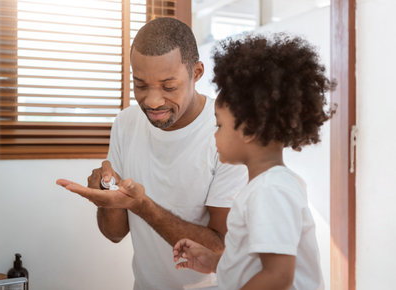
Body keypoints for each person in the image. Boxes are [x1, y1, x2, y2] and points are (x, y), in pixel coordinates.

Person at [56, 17, 248, 290]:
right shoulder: (126, 123)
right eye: (141, 85)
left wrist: (142, 205)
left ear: (196, 73)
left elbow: (220, 248)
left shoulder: (227, 129)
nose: (152, 101)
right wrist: (107, 197)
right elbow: (115, 233)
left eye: (168, 87)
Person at [173, 33, 336, 290]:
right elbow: (256, 263)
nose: (214, 135)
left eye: (219, 125)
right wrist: (217, 262)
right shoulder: (268, 186)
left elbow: (278, 276)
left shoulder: (270, 191)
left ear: (249, 131)